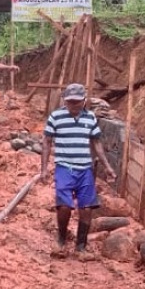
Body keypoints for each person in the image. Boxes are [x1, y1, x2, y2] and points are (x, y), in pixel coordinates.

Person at [40, 83, 116, 254]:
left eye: (77, 102)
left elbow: (96, 143)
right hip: (64, 168)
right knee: (64, 206)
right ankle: (61, 239)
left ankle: (81, 245)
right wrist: (44, 169)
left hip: (85, 169)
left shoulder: (90, 118)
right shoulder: (56, 117)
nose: (73, 105)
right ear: (65, 101)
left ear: (84, 101)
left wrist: (107, 166)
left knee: (86, 208)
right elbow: (46, 142)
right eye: (70, 102)